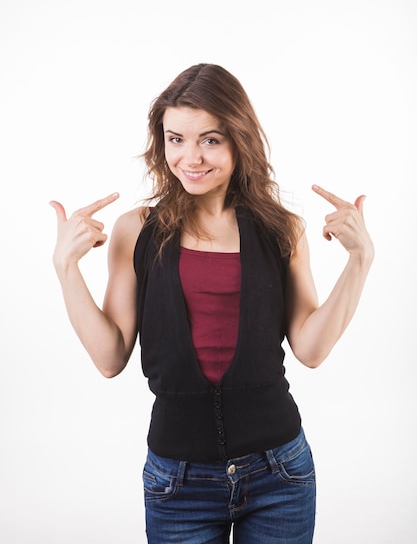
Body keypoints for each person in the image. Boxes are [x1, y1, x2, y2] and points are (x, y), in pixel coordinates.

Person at [50, 63, 374, 543]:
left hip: (279, 474)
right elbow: (110, 356)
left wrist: (360, 260)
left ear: (239, 140)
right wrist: (65, 268)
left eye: (210, 139)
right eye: (175, 139)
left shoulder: (281, 230)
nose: (190, 157)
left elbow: (310, 348)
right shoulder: (136, 229)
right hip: (176, 481)